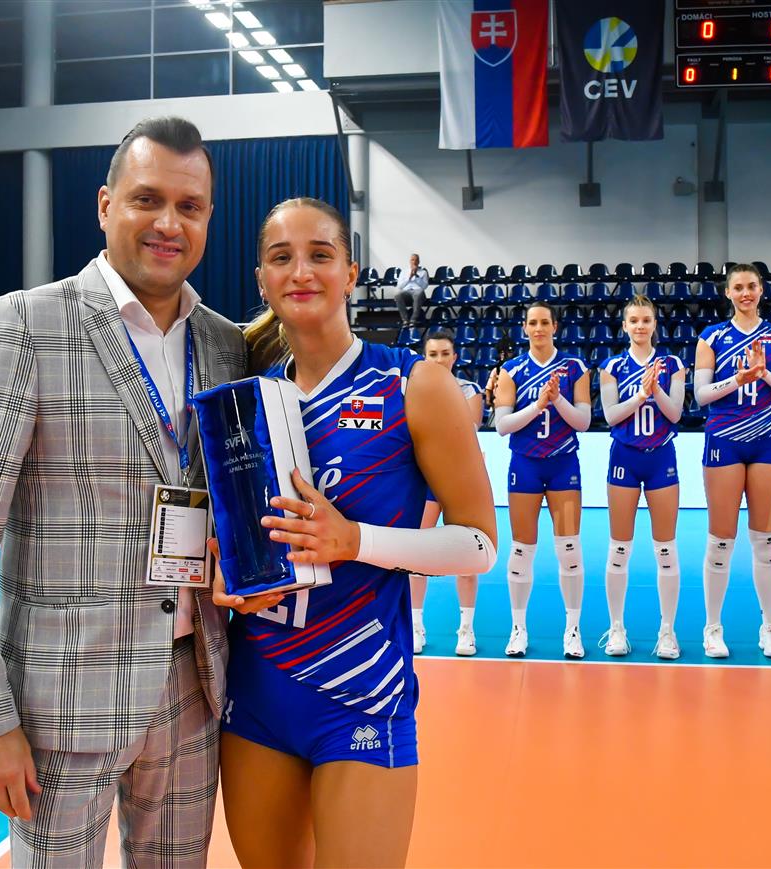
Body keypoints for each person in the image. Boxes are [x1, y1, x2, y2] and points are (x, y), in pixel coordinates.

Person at [0, 117, 260, 865]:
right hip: (57, 705)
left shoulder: (225, 343)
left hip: (193, 692)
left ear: (208, 217)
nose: (168, 223)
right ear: (106, 205)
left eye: (190, 206)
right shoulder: (25, 325)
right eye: (147, 199)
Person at [228, 197, 496, 867]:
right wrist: (222, 573)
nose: (301, 272)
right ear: (262, 279)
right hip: (256, 689)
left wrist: (356, 540)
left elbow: (480, 545)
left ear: (351, 273)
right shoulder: (247, 400)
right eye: (282, 258)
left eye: (320, 255)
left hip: (363, 692)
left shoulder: (414, 385)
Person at [694, 264, 771, 659]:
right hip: (724, 441)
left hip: (768, 442)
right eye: (738, 287)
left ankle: (770, 627)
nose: (746, 293)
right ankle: (712, 627)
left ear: (762, 290)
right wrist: (738, 380)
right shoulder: (711, 337)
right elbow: (701, 395)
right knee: (720, 540)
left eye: (752, 286)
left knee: (767, 540)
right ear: (727, 292)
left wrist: (764, 375)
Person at [493, 301, 593, 659]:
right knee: (522, 549)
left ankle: (573, 630)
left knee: (569, 549)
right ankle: (518, 628)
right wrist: (537, 405)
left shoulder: (574, 368)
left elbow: (583, 422)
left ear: (555, 327)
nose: (538, 328)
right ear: (525, 328)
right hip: (526, 465)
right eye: (532, 323)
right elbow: (502, 426)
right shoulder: (512, 370)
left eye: (544, 322)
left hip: (563, 464)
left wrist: (557, 399)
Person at [598, 296, 687, 659]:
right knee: (619, 548)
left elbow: (675, 413)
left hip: (661, 456)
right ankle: (617, 628)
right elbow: (610, 415)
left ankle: (667, 631)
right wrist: (639, 396)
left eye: (645, 320)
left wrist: (656, 389)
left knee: (665, 549)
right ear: (624, 326)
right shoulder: (612, 367)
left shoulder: (673, 365)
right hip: (625, 457)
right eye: (633, 320)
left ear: (654, 324)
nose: (639, 326)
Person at [410, 329, 486, 656]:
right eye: (433, 354)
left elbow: (465, 429)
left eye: (444, 354)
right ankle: (415, 626)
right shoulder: (410, 391)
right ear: (424, 357)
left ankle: (466, 630)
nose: (439, 360)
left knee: (466, 556)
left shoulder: (470, 391)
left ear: (454, 357)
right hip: (424, 478)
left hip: (460, 480)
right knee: (416, 555)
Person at [394, 252, 430, 326]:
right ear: (410, 261)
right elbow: (399, 286)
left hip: (418, 292)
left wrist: (416, 276)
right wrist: (409, 277)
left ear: (419, 262)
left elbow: (424, 286)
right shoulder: (404, 272)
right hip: (407, 292)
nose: (414, 262)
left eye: (416, 260)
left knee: (418, 294)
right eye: (412, 260)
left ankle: (413, 319)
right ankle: (405, 319)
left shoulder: (423, 272)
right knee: (397, 295)